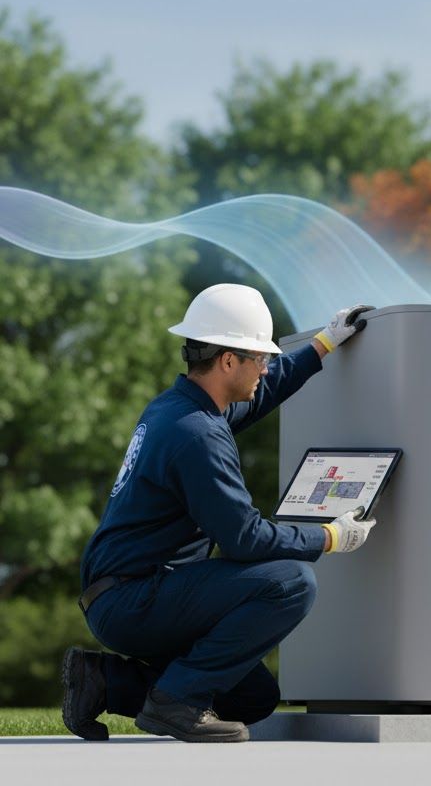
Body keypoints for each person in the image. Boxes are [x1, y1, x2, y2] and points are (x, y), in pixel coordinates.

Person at [61, 283, 375, 744]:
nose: (265, 368)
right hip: (135, 600)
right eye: (259, 358)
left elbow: (262, 393)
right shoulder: (197, 435)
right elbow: (244, 539)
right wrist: (329, 536)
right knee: (291, 582)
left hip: (124, 595)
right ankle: (176, 702)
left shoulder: (179, 409)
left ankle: (104, 682)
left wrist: (323, 344)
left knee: (252, 698)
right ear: (228, 361)